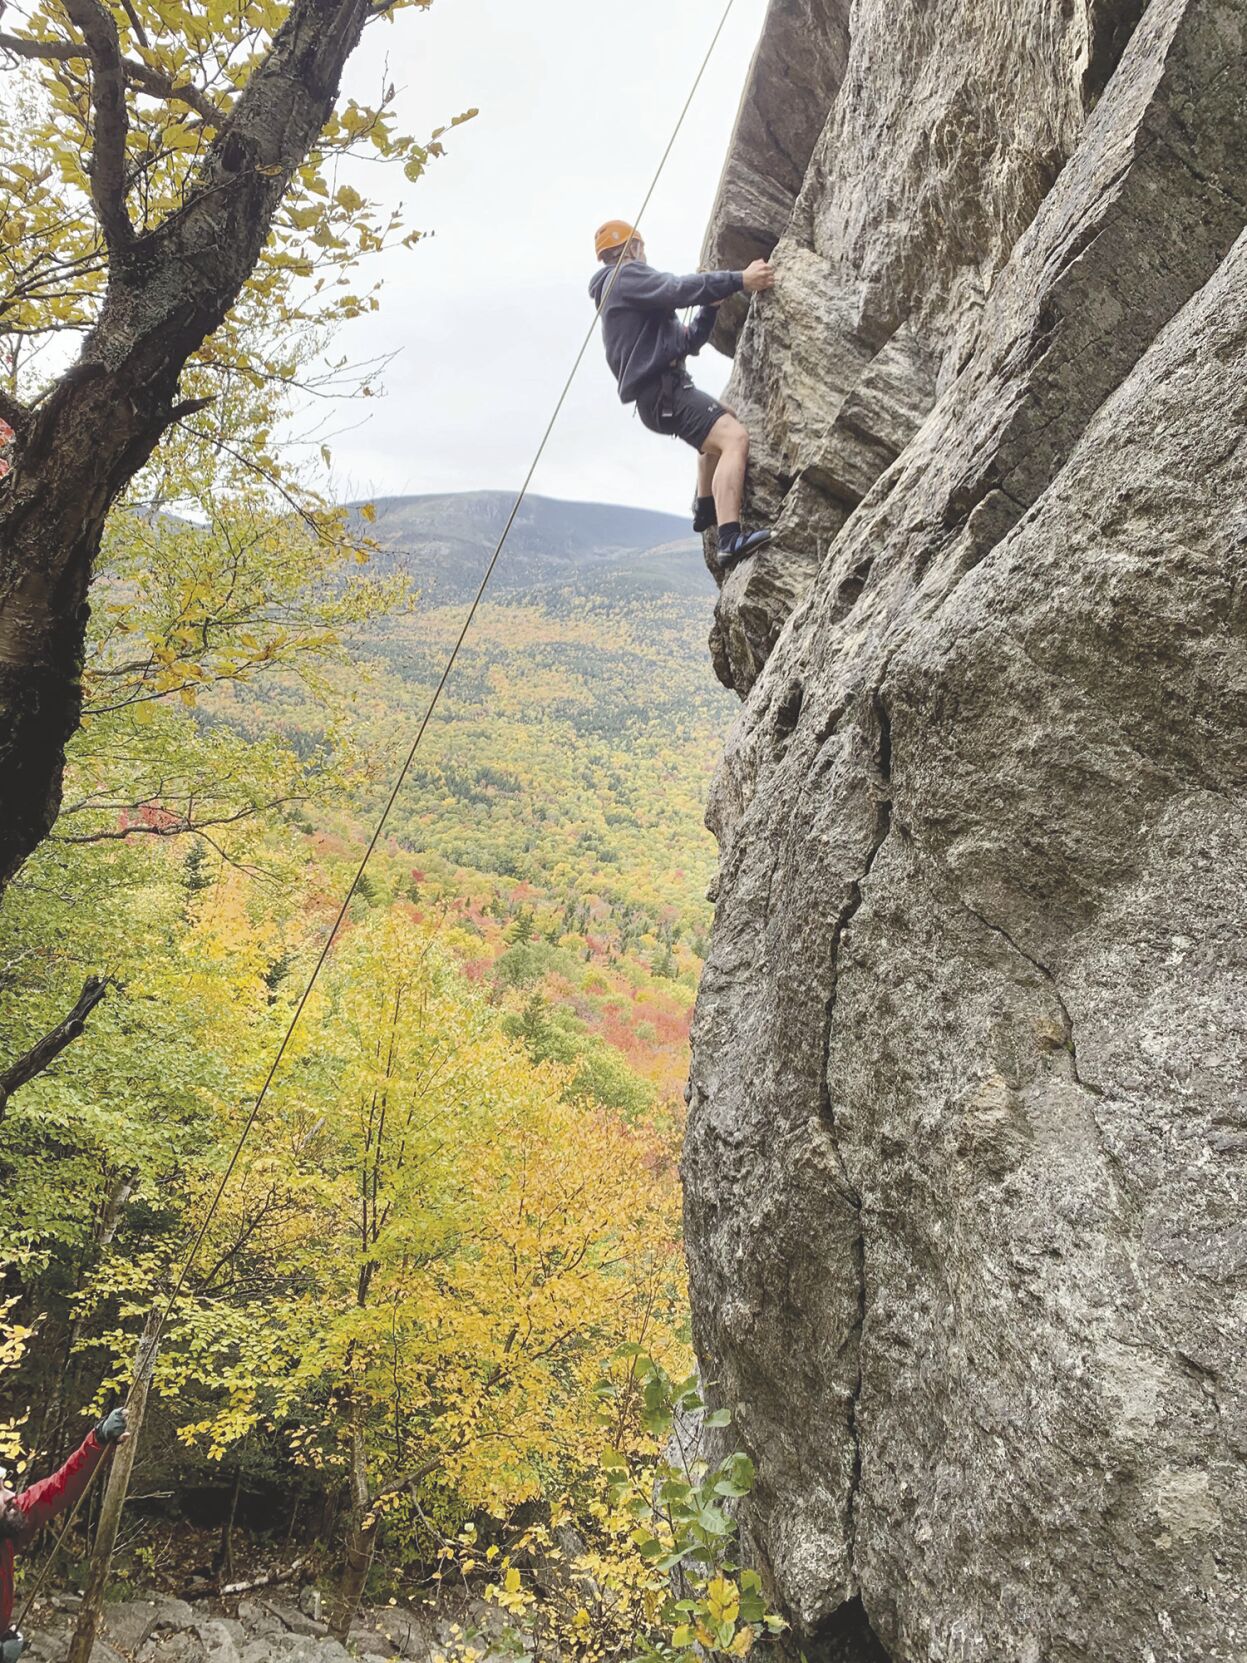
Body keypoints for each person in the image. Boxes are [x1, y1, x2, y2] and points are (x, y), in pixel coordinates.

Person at [589, 221, 776, 568]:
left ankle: (705, 507)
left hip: (661, 396)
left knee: (722, 422)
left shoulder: (629, 296)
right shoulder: (625, 277)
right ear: (631, 248)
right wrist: (739, 279)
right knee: (734, 438)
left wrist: (712, 306)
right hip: (664, 393)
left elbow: (687, 341)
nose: (644, 256)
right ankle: (730, 538)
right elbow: (676, 288)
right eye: (641, 248)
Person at [0, 1408, 129, 1661]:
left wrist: (99, 1439)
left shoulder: (7, 1523)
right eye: (0, 1492)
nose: (11, 1495)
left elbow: (58, 1487)